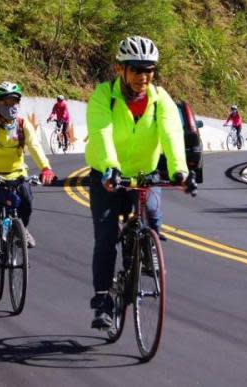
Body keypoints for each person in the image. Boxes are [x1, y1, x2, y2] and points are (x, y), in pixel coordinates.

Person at [86, 35, 191, 329]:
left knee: (153, 213)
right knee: (106, 237)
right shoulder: (103, 96)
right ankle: (103, 300)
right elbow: (102, 133)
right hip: (109, 175)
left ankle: (147, 252)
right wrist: (110, 168)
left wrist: (179, 170)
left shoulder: (160, 100)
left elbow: (172, 134)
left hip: (145, 174)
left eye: (149, 70)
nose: (143, 77)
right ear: (121, 69)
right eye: (136, 69)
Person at [0, 82, 56, 290]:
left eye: (15, 101)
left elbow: (35, 146)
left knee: (27, 200)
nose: (12, 106)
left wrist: (45, 167)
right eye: (6, 102)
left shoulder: (22, 124)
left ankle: (22, 229)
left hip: (17, 174)